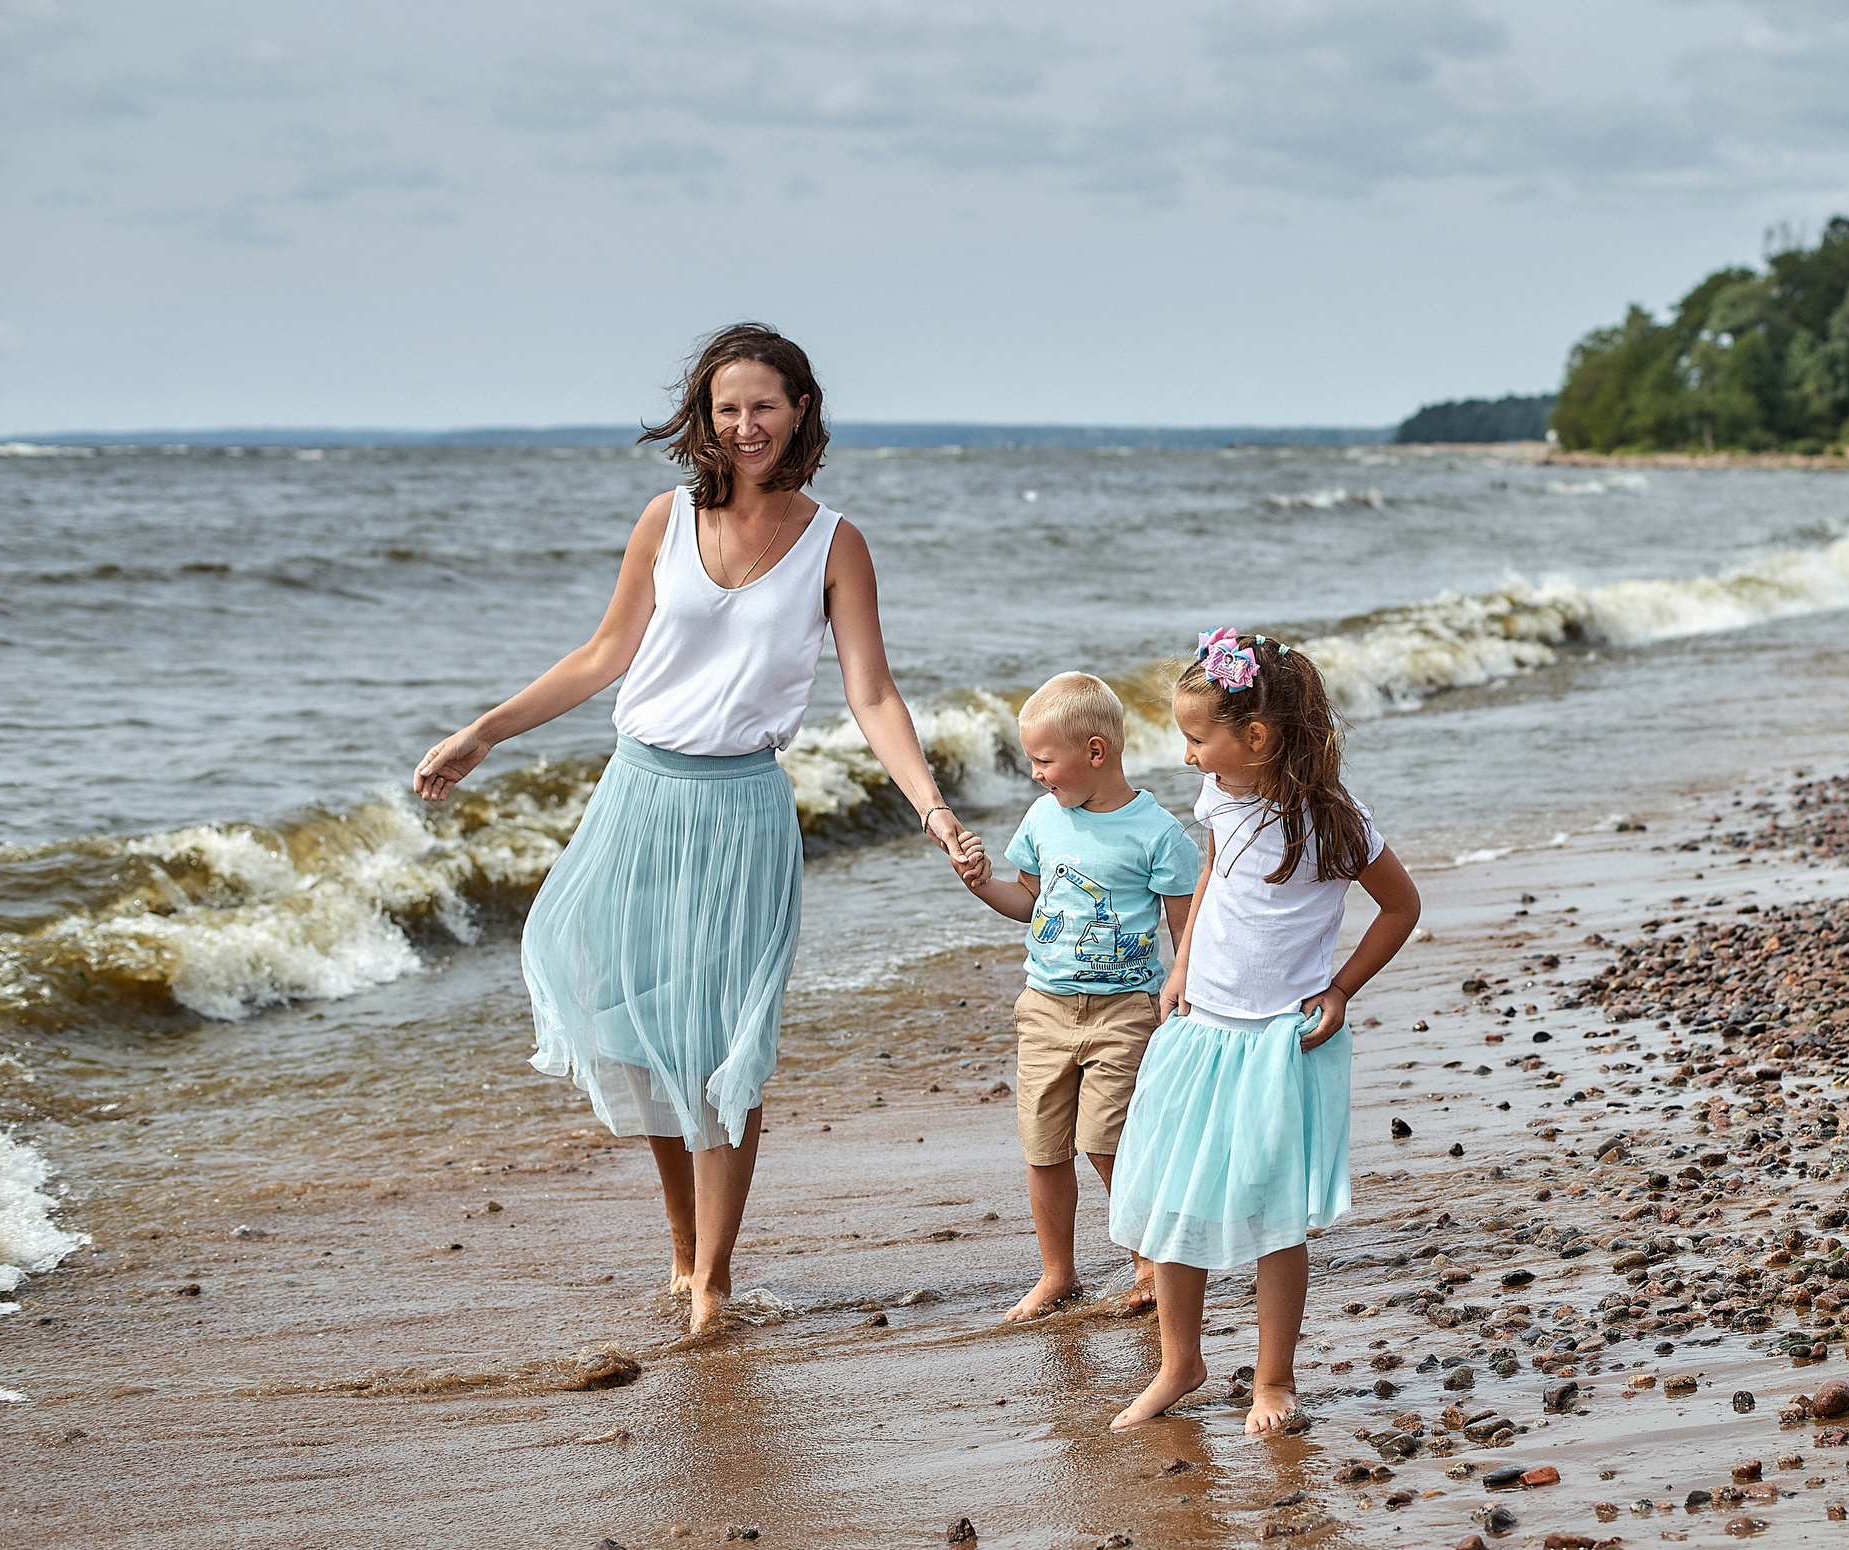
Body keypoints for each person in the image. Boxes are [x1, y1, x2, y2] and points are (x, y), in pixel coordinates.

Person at [411, 323, 972, 1338]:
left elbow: (873, 692)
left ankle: (712, 1278)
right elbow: (600, 655)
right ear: (704, 419)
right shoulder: (663, 520)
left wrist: (929, 804)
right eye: (727, 408)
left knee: (724, 1049)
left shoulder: (834, 543)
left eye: (764, 404)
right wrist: (484, 731)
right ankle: (681, 1247)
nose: (746, 424)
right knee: (636, 1031)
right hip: (636, 801)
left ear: (801, 408)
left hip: (741, 813)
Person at [1105, 631, 1421, 1434]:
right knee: (1175, 1197)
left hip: (1281, 1043)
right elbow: (1211, 868)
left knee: (1276, 1218)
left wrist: (1342, 987)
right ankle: (1181, 1361)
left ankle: (1273, 1379)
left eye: (1196, 737)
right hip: (1201, 1030)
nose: (1184, 755)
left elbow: (1401, 906)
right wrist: (1180, 965)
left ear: (1257, 736)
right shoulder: (1219, 795)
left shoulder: (1334, 821)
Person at [950, 673, 1201, 1322]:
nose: (1035, 775)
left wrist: (1188, 998)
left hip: (1124, 1010)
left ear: (1096, 751)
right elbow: (1027, 900)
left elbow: (1186, 931)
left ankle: (1147, 1257)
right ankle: (1058, 1271)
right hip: (1045, 1007)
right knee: (1044, 1144)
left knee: (1106, 1136)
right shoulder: (1043, 818)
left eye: (1043, 760)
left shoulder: (1159, 834)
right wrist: (981, 884)